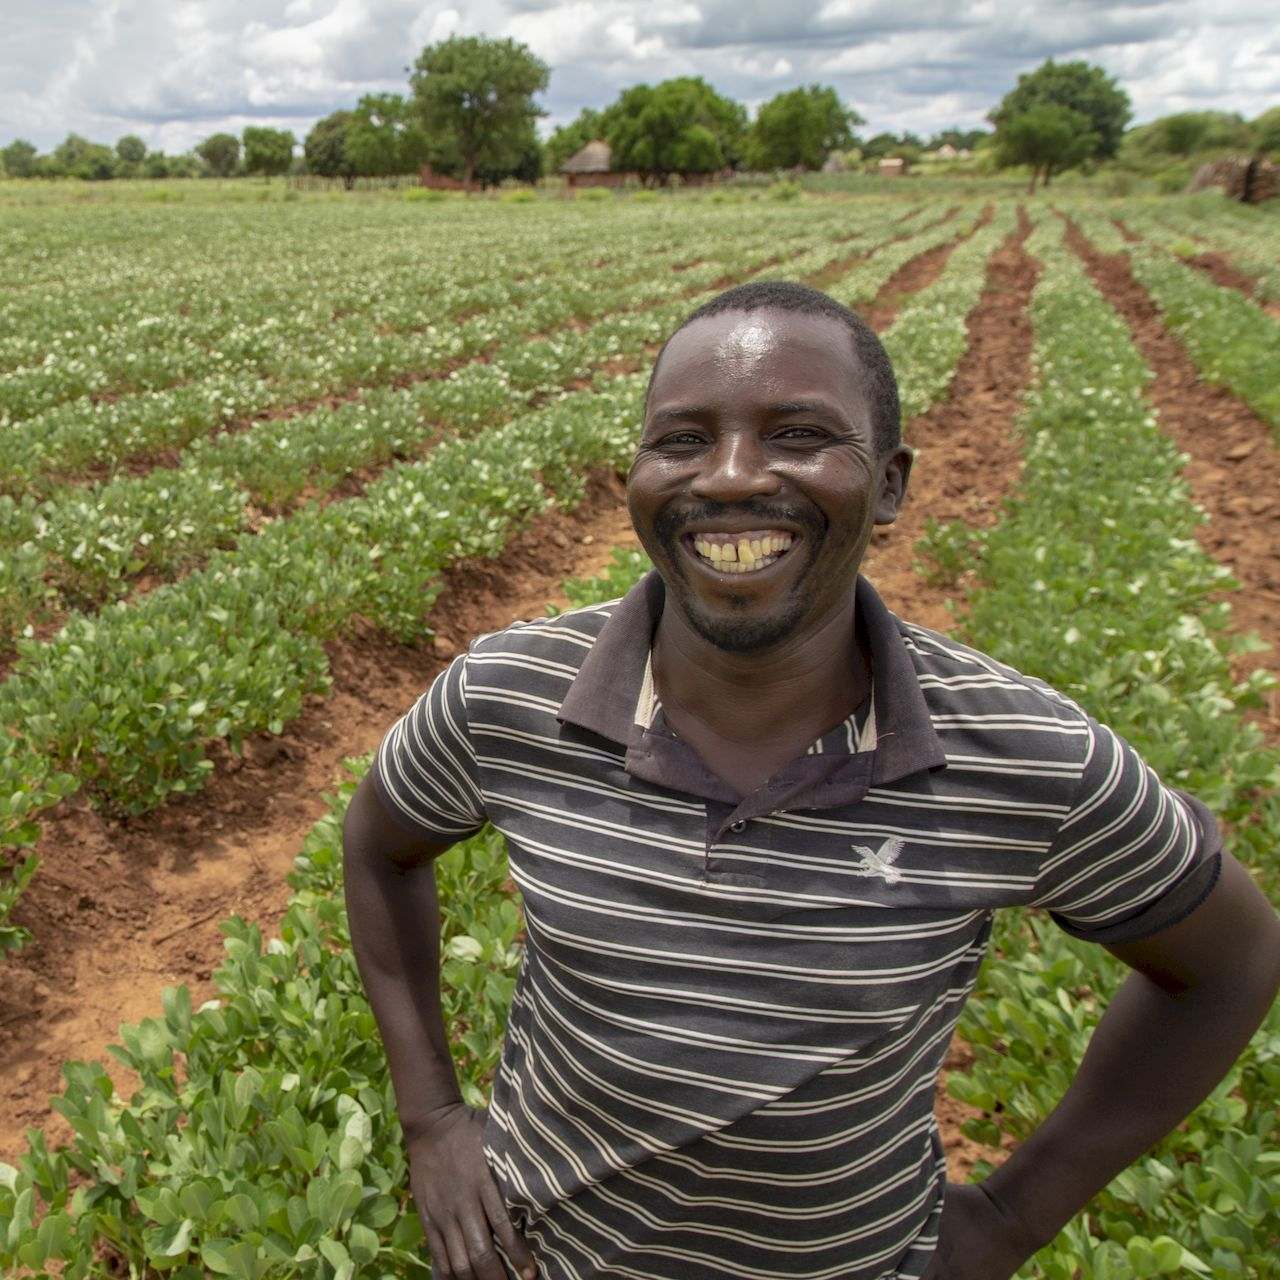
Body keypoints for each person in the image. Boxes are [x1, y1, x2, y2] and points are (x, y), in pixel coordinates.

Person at [342, 280, 1280, 1280]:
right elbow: (378, 846)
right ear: (637, 472)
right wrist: (433, 1117)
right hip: (537, 1255)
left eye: (798, 434)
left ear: (889, 483)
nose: (734, 475)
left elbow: (1229, 960)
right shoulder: (509, 694)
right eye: (682, 439)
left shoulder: (1026, 756)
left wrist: (1013, 1213)